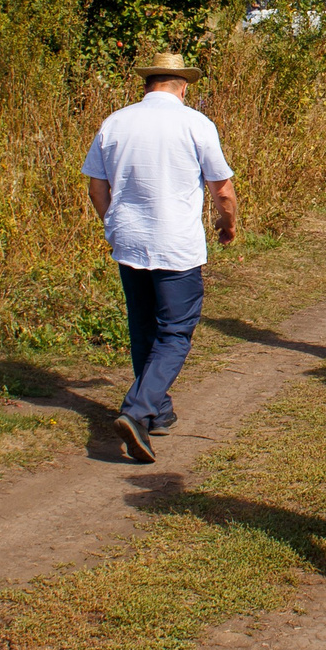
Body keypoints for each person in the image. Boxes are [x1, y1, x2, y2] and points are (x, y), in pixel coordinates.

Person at [82, 51, 239, 464]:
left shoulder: (115, 122)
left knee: (143, 325)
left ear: (146, 83)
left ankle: (157, 410)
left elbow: (97, 188)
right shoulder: (195, 123)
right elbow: (222, 189)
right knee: (175, 330)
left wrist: (111, 222)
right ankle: (137, 411)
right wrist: (228, 225)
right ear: (183, 86)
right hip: (176, 244)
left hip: (129, 240)